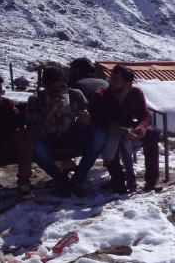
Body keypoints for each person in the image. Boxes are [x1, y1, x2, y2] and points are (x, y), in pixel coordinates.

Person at [25, 66, 104, 197]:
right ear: (45, 86)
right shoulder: (35, 99)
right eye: (55, 89)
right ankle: (60, 179)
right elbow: (36, 131)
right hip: (48, 140)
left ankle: (78, 180)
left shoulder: (75, 95)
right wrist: (51, 110)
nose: (60, 92)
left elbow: (88, 124)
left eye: (63, 87)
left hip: (70, 136)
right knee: (35, 145)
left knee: (99, 135)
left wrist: (87, 120)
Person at [90, 64, 161, 193]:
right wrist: (121, 131)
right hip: (110, 131)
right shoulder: (100, 96)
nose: (111, 83)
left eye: (116, 80)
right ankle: (118, 178)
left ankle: (152, 178)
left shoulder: (136, 94)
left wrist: (141, 127)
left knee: (150, 133)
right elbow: (101, 122)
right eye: (111, 79)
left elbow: (144, 115)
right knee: (112, 139)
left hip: (128, 128)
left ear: (127, 85)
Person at [0, 75, 33, 199]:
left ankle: (24, 184)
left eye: (0, 91)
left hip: (4, 145)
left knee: (24, 134)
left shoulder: (6, 103)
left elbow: (19, 121)